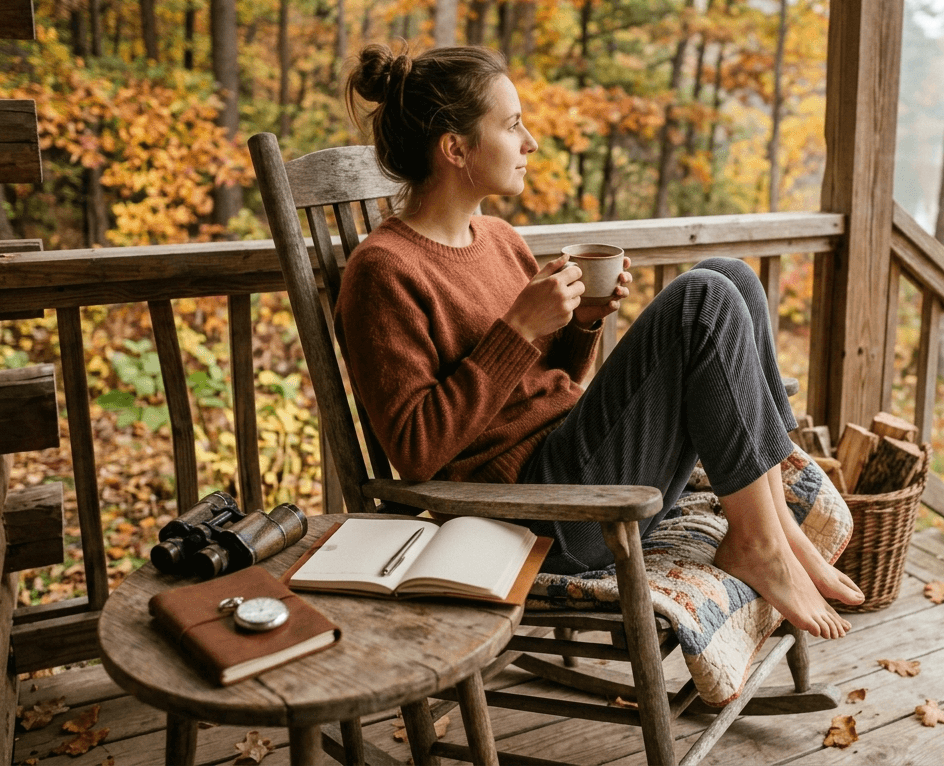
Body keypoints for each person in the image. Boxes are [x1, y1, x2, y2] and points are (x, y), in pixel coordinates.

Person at [335, 41, 864, 639]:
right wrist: (518, 330)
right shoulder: (383, 270)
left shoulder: (499, 237)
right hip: (536, 516)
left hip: (574, 461)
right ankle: (762, 544)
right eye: (511, 126)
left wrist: (582, 321)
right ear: (456, 148)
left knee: (732, 275)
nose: (530, 142)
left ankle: (775, 530)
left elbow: (554, 383)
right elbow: (413, 450)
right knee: (701, 302)